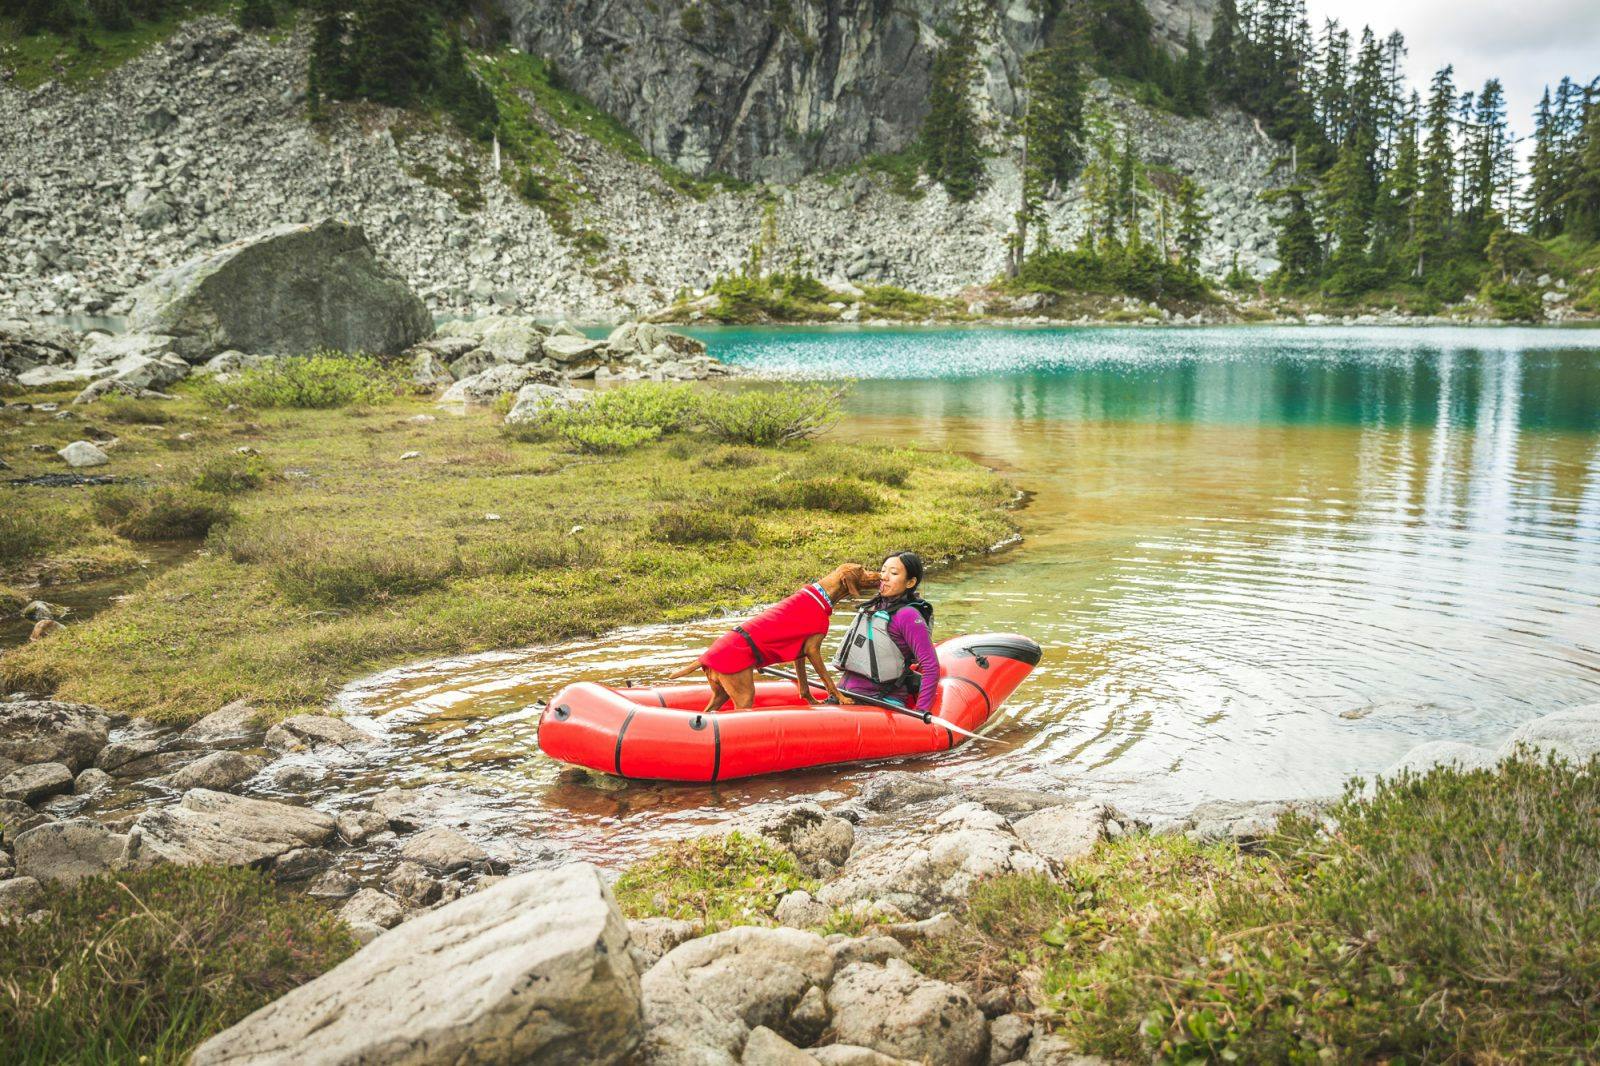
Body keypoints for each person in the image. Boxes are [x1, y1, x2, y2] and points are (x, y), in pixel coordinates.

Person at [834, 551, 940, 713]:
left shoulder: (908, 615)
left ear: (910, 582)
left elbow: (930, 666)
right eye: (883, 571)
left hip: (880, 701)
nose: (884, 576)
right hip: (848, 695)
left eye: (894, 573)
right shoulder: (874, 606)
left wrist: (921, 711)